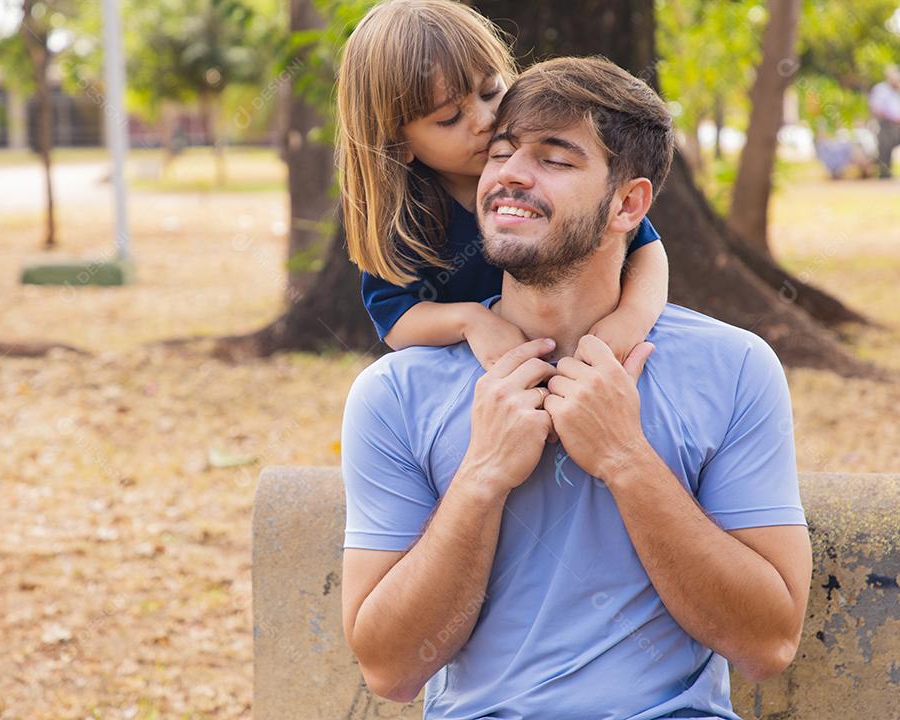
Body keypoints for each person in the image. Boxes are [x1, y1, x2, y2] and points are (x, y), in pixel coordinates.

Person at [340, 56, 812, 720]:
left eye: (554, 160)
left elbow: (768, 644)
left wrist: (625, 458)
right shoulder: (395, 394)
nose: (508, 174)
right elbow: (389, 668)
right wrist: (481, 478)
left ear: (628, 204)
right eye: (499, 154)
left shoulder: (734, 369)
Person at [336, 0, 669, 369]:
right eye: (449, 118)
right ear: (398, 145)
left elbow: (647, 250)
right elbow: (396, 318)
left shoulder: (555, 188)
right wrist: (472, 322)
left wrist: (632, 317)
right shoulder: (407, 217)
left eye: (490, 91)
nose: (485, 119)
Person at [869, 65, 900, 179]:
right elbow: (877, 109)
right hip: (886, 125)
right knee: (885, 146)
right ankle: (884, 173)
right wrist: (893, 119)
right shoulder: (881, 89)